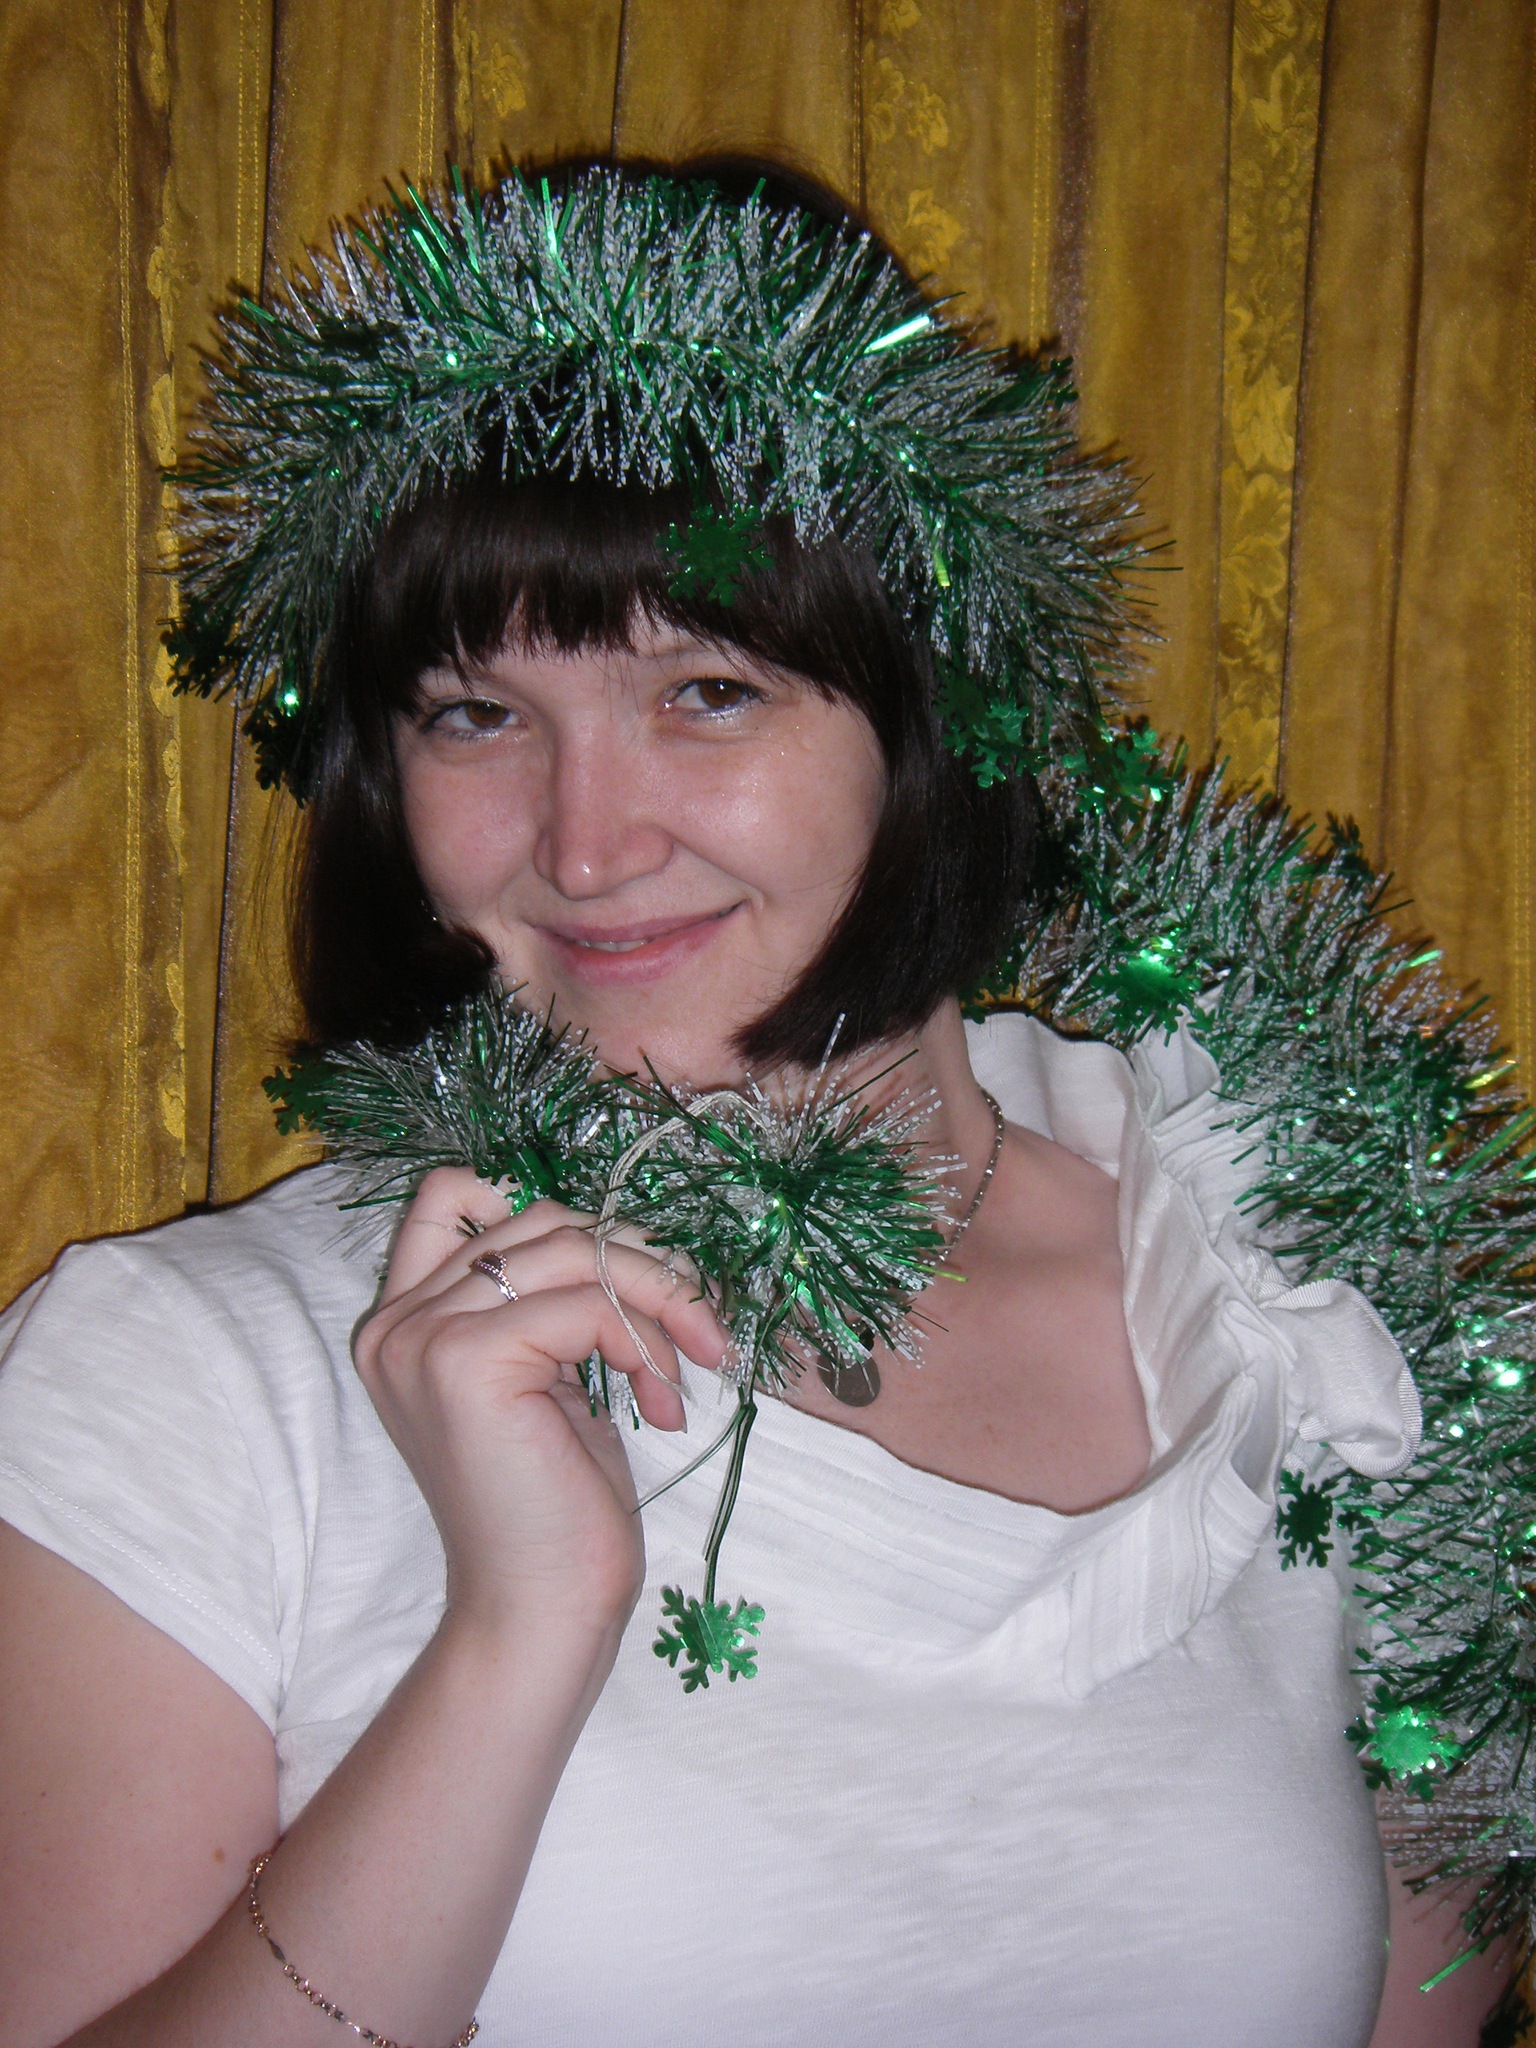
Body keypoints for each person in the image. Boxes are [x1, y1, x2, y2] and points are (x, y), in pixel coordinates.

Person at [0, 163, 1512, 2048]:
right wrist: (517, 1636)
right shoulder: (189, 1369)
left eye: (708, 691)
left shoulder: (1330, 1314)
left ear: (935, 718)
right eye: (476, 714)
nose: (585, 843)